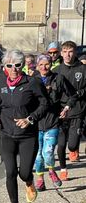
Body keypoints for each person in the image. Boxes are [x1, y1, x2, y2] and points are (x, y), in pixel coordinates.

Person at [0, 50, 48, 203]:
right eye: (9, 65)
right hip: (6, 133)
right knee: (10, 172)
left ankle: (29, 181)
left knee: (24, 173)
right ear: (4, 66)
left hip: (27, 135)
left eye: (17, 65)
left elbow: (45, 103)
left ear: (23, 65)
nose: (13, 69)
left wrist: (30, 118)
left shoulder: (32, 82)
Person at [54, 40, 86, 180]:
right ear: (61, 53)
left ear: (75, 53)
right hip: (61, 111)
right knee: (61, 143)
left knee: (72, 145)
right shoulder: (56, 71)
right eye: (65, 52)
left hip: (77, 110)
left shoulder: (83, 69)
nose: (68, 54)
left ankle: (74, 150)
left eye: (70, 51)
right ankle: (63, 169)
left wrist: (80, 93)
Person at [33, 55, 64, 191]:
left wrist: (66, 107)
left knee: (48, 152)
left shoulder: (58, 78)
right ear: (37, 66)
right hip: (36, 124)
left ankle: (51, 170)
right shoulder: (33, 80)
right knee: (38, 155)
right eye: (41, 65)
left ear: (51, 64)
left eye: (46, 64)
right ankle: (40, 178)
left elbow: (70, 95)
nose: (44, 67)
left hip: (52, 122)